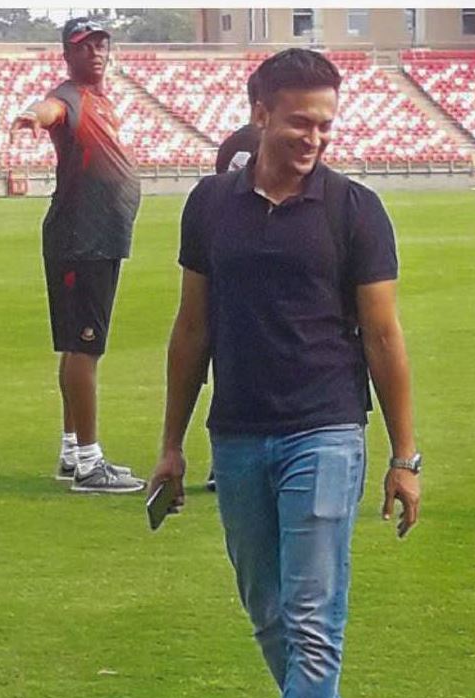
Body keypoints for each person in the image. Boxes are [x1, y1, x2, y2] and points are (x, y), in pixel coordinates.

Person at [149, 48, 421, 698]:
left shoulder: (354, 210)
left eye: (326, 125)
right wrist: (170, 444)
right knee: (267, 611)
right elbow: (192, 327)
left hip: (326, 431)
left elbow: (383, 338)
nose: (314, 138)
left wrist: (405, 456)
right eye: (300, 121)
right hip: (236, 434)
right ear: (259, 111)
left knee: (311, 622)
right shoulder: (210, 206)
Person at [10, 17, 144, 493]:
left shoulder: (101, 100)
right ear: (67, 54)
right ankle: (90, 463)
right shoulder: (69, 96)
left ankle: (72, 449)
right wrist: (33, 115)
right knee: (86, 346)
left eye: (101, 44)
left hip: (95, 238)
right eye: (84, 46)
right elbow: (49, 109)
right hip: (82, 239)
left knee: (76, 345)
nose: (96, 52)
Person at [205, 68, 262, 492]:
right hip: (257, 265)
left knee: (228, 370)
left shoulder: (232, 144)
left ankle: (220, 463)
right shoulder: (259, 144)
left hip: (226, 264)